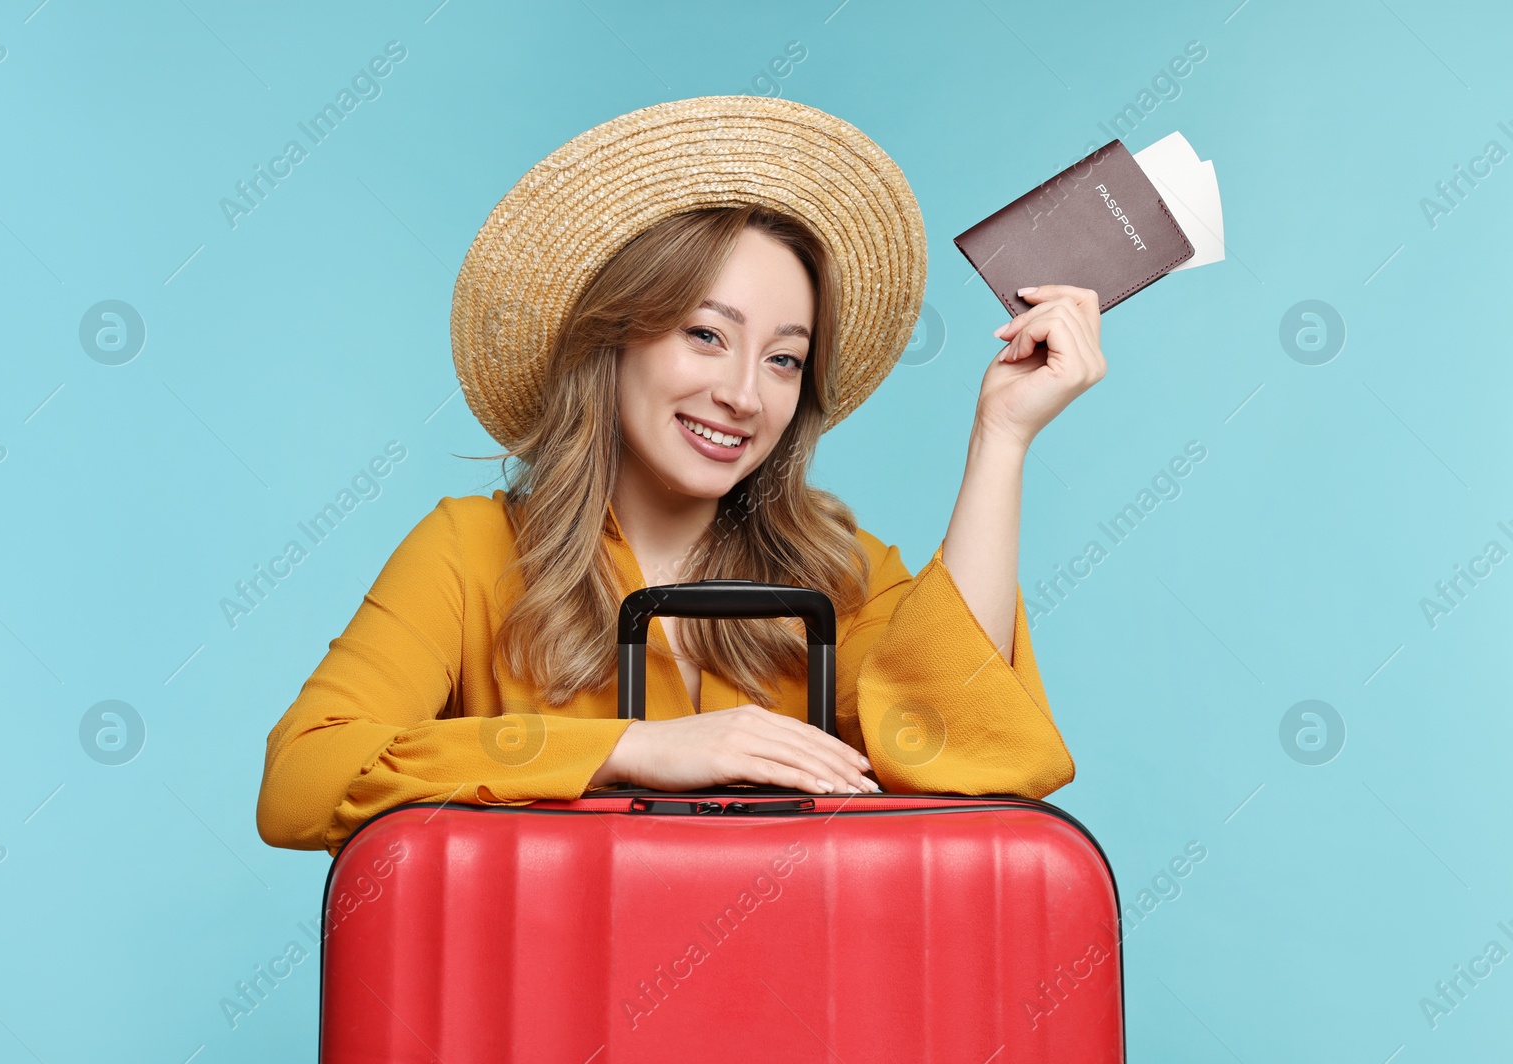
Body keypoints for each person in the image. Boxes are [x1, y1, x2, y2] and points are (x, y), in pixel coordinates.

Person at [255, 96, 1105, 856]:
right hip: (544, 1018)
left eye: (782, 359)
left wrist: (1002, 437)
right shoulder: (469, 551)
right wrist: (634, 749)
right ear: (615, 335)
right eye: (706, 334)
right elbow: (301, 779)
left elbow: (963, 748)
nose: (742, 394)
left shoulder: (840, 576)